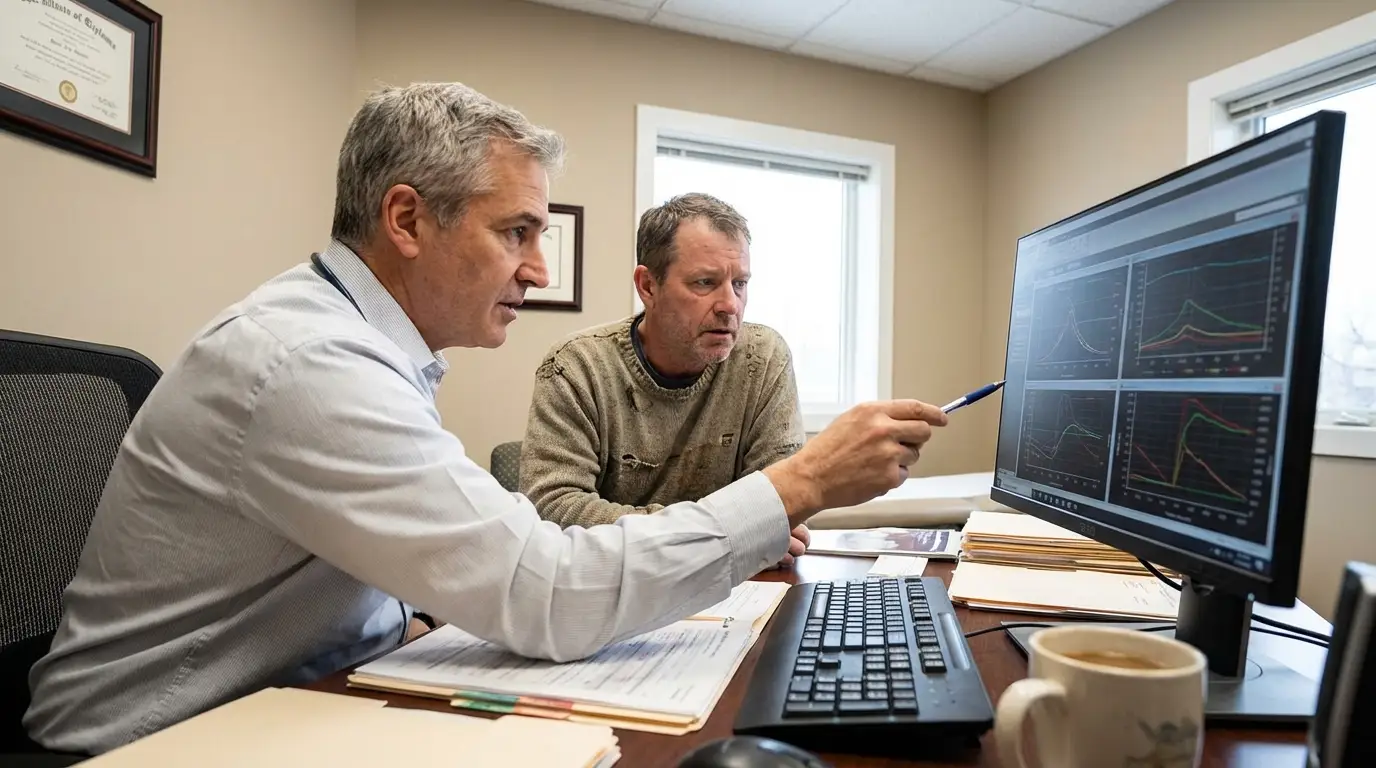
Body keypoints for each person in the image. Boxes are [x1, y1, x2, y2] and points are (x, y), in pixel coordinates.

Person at [23, 81, 948, 756]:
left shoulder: (365, 347)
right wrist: (801, 482)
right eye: (517, 232)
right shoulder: (309, 363)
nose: (540, 269)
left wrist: (409, 619)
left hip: (288, 697)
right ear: (406, 219)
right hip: (149, 741)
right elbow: (548, 590)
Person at [519, 193, 812, 565]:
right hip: (612, 584)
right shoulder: (576, 367)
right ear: (648, 286)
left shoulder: (762, 358)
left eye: (739, 283)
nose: (730, 305)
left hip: (739, 584)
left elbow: (780, 501)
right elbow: (553, 509)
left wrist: (745, 529)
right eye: (705, 282)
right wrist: (717, 535)